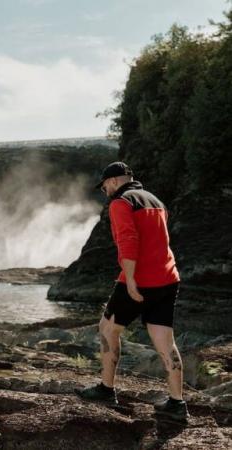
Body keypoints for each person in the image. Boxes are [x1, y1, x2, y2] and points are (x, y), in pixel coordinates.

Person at [76, 162, 187, 422]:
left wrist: (132, 281)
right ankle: (177, 404)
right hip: (168, 279)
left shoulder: (121, 202)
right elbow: (159, 239)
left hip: (139, 279)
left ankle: (106, 390)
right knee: (165, 341)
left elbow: (128, 241)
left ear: (114, 181)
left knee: (107, 328)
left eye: (104, 187)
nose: (105, 192)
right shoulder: (156, 200)